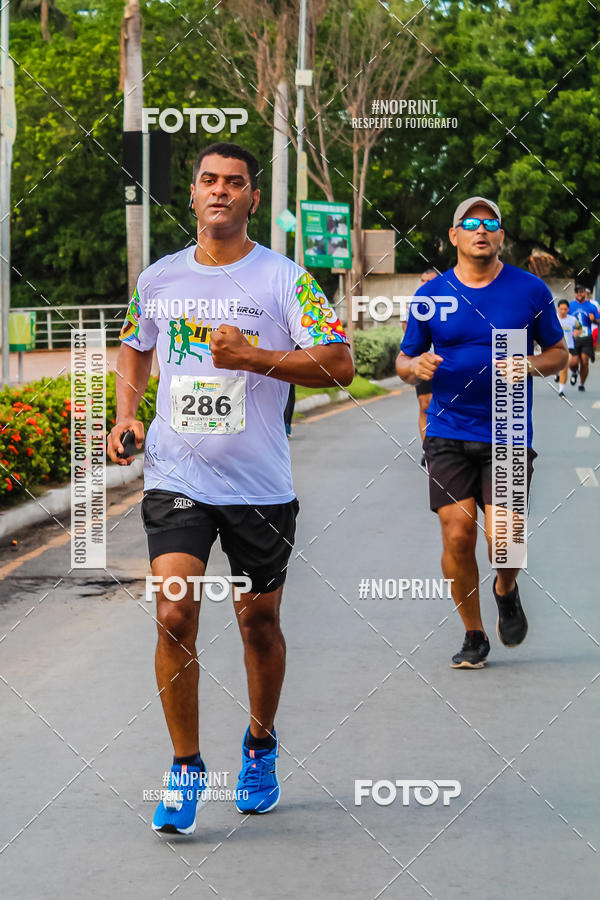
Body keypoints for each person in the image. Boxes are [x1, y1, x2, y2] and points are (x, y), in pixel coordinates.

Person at [108, 142, 354, 834]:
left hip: (259, 485)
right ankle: (185, 767)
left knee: (258, 623)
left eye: (235, 183)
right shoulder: (159, 278)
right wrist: (127, 414)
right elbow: (135, 345)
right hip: (177, 476)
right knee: (174, 614)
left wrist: (254, 357)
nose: (220, 191)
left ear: (252, 198)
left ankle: (260, 746)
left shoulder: (286, 280)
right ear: (192, 194)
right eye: (209, 180)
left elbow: (339, 363)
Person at [396, 196, 567, 668]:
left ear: (501, 237)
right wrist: (414, 367)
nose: (481, 230)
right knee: (457, 535)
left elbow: (559, 353)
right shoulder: (432, 295)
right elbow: (404, 359)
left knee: (506, 540)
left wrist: (529, 364)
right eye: (470, 223)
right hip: (448, 427)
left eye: (491, 224)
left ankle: (505, 588)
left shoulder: (529, 290)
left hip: (508, 426)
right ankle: (474, 633)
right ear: (454, 235)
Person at [412, 269, 437, 468]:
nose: (425, 284)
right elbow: (408, 331)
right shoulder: (416, 302)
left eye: (430, 281)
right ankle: (427, 448)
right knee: (425, 404)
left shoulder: (451, 300)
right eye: (423, 280)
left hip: (447, 362)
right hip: (423, 360)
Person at [569, 283, 597, 391]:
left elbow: (598, 321)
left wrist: (594, 320)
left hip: (586, 337)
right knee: (573, 363)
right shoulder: (570, 306)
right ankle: (575, 372)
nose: (579, 293)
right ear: (575, 293)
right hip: (574, 338)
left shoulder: (592, 306)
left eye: (581, 291)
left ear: (585, 293)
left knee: (584, 361)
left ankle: (581, 384)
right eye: (577, 292)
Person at [554, 299, 580, 396]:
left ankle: (561, 391)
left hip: (569, 347)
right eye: (561, 309)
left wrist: (577, 332)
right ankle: (557, 373)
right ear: (558, 308)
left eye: (565, 309)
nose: (563, 311)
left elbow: (579, 327)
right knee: (556, 366)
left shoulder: (572, 319)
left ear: (568, 309)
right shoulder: (553, 319)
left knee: (564, 367)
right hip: (555, 347)